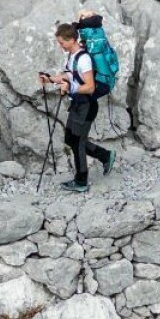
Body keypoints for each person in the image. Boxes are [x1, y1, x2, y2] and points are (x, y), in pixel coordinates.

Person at [42, 21, 114, 193]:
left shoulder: (84, 59)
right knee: (70, 139)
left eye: (62, 42)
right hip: (78, 104)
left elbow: (90, 87)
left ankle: (81, 181)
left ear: (72, 40)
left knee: (77, 143)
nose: (61, 46)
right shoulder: (73, 56)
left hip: (87, 105)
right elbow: (69, 75)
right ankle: (105, 156)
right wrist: (51, 79)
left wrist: (71, 88)